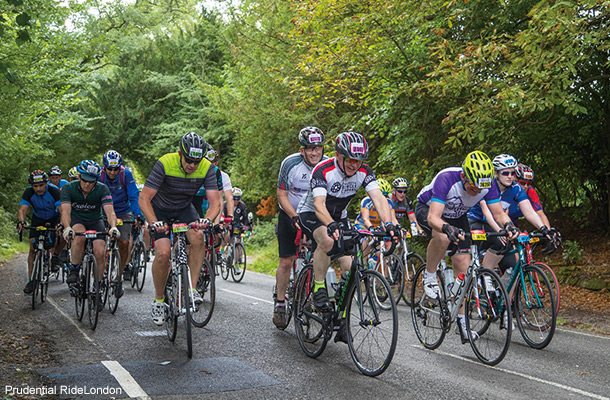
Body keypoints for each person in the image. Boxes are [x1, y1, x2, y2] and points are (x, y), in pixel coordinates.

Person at [297, 131, 396, 341]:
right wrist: (330, 224)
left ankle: (341, 317)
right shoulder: (323, 170)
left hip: (339, 216)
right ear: (338, 155)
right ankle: (319, 287)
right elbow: (319, 205)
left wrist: (389, 225)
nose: (354, 165)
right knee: (327, 239)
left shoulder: (364, 172)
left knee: (353, 265)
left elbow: (379, 199)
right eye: (350, 159)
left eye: (358, 160)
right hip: (312, 213)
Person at [415, 150, 519, 340]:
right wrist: (447, 228)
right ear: (464, 176)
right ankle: (429, 276)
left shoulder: (487, 185)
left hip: (457, 215)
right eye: (473, 188)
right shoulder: (446, 178)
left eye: (481, 189)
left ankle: (462, 324)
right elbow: (433, 217)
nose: (477, 192)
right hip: (429, 210)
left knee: (464, 266)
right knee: (443, 237)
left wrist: (509, 225)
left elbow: (498, 213)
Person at [139, 132, 220, 326]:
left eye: (196, 161)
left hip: (184, 208)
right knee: (164, 253)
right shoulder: (165, 163)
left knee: (198, 235)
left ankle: (191, 288)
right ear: (180, 154)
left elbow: (216, 202)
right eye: (189, 160)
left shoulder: (206, 167)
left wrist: (207, 220)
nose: (192, 165)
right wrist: (153, 222)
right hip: (160, 210)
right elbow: (144, 199)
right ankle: (159, 300)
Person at [273, 126, 326, 329]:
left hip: (313, 214)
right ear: (301, 149)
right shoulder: (290, 163)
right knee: (287, 260)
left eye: (318, 148)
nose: (314, 152)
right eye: (309, 148)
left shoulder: (327, 165)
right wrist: (293, 215)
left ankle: (314, 290)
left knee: (322, 252)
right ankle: (280, 303)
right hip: (290, 212)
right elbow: (281, 194)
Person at [468, 154, 556, 275]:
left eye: (512, 173)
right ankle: (486, 276)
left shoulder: (516, 189)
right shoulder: (487, 186)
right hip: (478, 222)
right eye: (505, 173)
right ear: (496, 173)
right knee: (499, 242)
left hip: (499, 224)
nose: (510, 176)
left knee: (513, 270)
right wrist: (500, 230)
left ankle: (506, 292)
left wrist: (544, 228)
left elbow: (530, 212)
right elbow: (487, 214)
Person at [61, 160, 119, 311]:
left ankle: (98, 287)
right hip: (77, 220)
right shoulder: (68, 188)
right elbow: (65, 211)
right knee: (79, 237)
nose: (87, 184)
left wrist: (113, 227)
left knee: (100, 251)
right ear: (79, 177)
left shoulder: (102, 189)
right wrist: (67, 228)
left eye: (91, 181)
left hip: (95, 221)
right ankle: (74, 269)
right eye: (85, 180)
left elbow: (110, 211)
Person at [98, 150, 144, 296]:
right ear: (104, 167)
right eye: (109, 169)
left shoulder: (126, 175)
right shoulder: (100, 176)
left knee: (124, 243)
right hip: (103, 210)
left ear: (120, 167)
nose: (112, 172)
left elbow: (133, 195)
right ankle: (100, 271)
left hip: (122, 211)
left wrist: (138, 214)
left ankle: (119, 275)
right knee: (100, 242)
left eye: (115, 169)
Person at [17, 170, 64, 294]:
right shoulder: (29, 192)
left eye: (41, 185)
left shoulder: (54, 191)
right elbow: (22, 210)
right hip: (38, 218)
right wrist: (21, 222)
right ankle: (32, 280)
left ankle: (55, 256)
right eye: (35, 186)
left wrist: (61, 224)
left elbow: (62, 210)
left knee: (61, 236)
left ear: (46, 183)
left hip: (55, 217)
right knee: (32, 247)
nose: (38, 189)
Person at [511, 163, 551, 228]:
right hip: (495, 220)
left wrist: (548, 231)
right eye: (522, 183)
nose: (526, 186)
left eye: (529, 183)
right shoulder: (507, 190)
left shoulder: (530, 191)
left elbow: (540, 214)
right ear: (514, 180)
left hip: (512, 222)